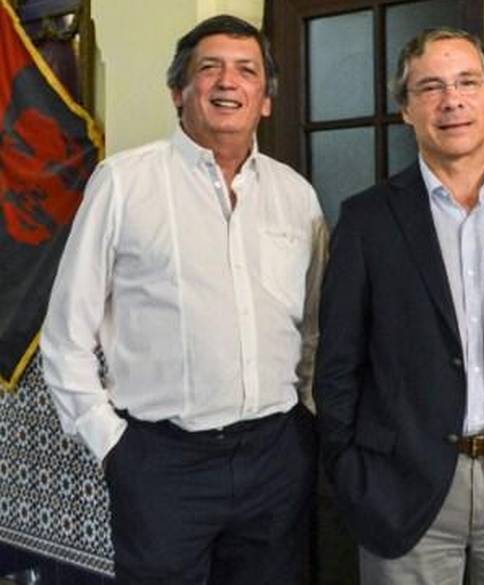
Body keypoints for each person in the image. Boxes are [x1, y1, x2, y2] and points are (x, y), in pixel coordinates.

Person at [41, 15, 326, 585]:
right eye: (209, 68)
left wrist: (306, 425)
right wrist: (112, 445)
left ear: (266, 99)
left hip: (275, 459)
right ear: (179, 91)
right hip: (162, 461)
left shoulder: (297, 196)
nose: (228, 82)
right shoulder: (123, 183)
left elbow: (313, 330)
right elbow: (65, 335)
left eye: (247, 71)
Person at [315, 27, 484, 585]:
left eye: (468, 82)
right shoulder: (367, 220)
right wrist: (350, 469)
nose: (452, 100)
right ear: (406, 109)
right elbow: (338, 362)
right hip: (401, 489)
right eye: (431, 87)